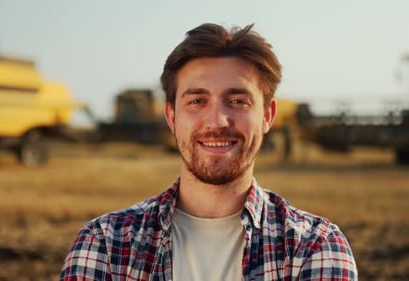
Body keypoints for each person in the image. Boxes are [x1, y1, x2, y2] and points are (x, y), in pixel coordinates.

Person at [60, 23, 357, 280]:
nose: (217, 121)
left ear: (267, 116)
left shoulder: (314, 247)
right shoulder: (105, 246)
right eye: (197, 101)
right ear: (172, 116)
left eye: (238, 101)